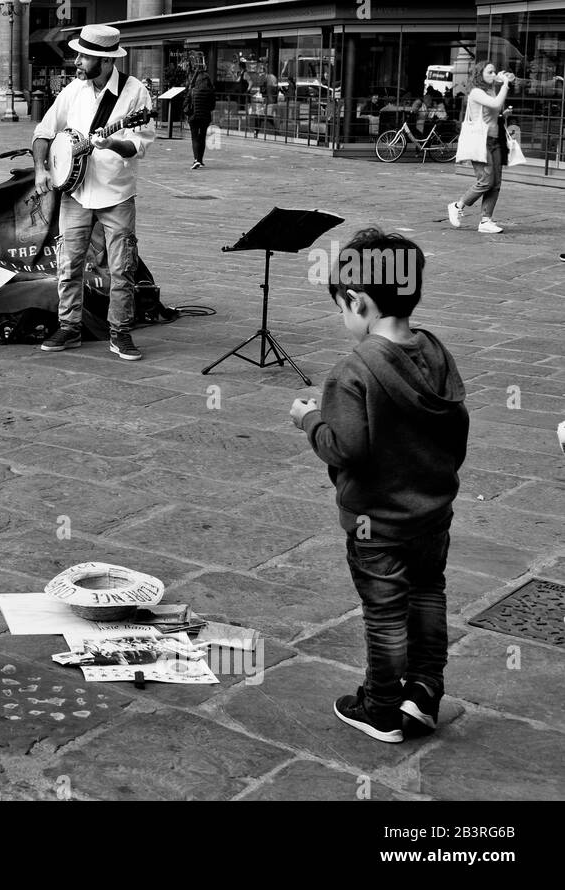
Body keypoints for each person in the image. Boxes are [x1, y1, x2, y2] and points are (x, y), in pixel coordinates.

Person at [290, 228, 468, 743]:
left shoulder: (354, 371)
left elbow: (344, 448)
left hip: (377, 524)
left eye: (342, 309)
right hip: (433, 515)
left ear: (358, 301)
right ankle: (425, 692)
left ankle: (382, 707)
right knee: (429, 594)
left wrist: (310, 419)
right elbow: (456, 424)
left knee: (386, 612)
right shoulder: (435, 351)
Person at [31, 24, 156, 360]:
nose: (78, 61)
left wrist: (112, 142)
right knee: (69, 263)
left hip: (116, 194)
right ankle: (69, 327)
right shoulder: (73, 90)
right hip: (76, 192)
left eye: (84, 56)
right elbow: (44, 131)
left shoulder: (134, 94)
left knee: (121, 267)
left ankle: (120, 331)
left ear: (104, 60)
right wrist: (43, 168)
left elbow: (137, 145)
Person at [447, 62, 513, 235]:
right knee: (486, 181)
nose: (493, 74)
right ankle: (457, 206)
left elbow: (492, 112)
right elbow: (496, 104)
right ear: (479, 74)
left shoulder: (491, 90)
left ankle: (486, 220)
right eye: (489, 71)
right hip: (480, 141)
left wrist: (502, 115)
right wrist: (505, 84)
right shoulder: (476, 92)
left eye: (494, 71)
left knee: (496, 183)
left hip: (494, 140)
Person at [181, 57, 215, 169]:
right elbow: (212, 106)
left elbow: (185, 103)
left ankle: (196, 159)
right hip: (205, 117)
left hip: (193, 117)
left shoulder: (192, 90)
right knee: (202, 137)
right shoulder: (210, 91)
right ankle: (200, 159)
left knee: (194, 137)